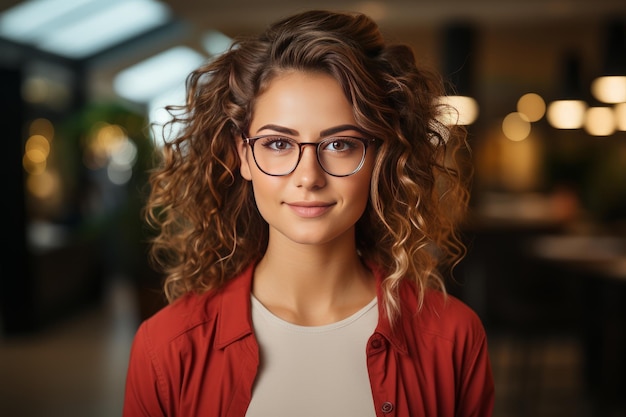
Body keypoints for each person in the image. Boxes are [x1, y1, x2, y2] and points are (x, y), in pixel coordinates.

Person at [123, 9, 494, 417]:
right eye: (279, 144)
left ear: (379, 158)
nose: (309, 177)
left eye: (340, 144)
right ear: (243, 155)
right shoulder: (166, 346)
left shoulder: (453, 338)